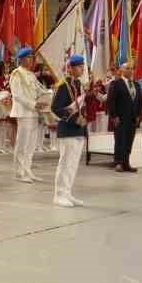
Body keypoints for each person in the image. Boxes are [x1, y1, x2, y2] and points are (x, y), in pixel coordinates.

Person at [51, 55, 89, 207]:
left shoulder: (78, 84)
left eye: (82, 66)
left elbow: (80, 105)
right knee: (65, 163)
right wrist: (74, 119)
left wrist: (84, 118)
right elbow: (55, 108)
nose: (82, 69)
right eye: (79, 66)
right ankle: (59, 194)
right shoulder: (63, 85)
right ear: (71, 68)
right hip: (67, 129)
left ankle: (67, 192)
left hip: (78, 129)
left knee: (73, 164)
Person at [8, 48, 45, 183]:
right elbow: (17, 95)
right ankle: (19, 172)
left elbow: (39, 90)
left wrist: (48, 94)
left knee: (31, 144)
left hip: (34, 113)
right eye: (28, 57)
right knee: (22, 144)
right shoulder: (16, 74)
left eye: (31, 57)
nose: (31, 60)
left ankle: (28, 170)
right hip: (24, 112)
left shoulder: (31, 74)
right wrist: (33, 104)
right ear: (21, 59)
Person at [106, 61, 141, 172]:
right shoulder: (116, 83)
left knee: (129, 140)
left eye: (131, 68)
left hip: (132, 118)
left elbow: (139, 101)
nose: (130, 70)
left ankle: (126, 163)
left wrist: (139, 115)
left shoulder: (136, 84)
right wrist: (114, 116)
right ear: (121, 70)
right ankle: (118, 163)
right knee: (120, 140)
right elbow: (111, 101)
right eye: (127, 68)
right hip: (120, 118)